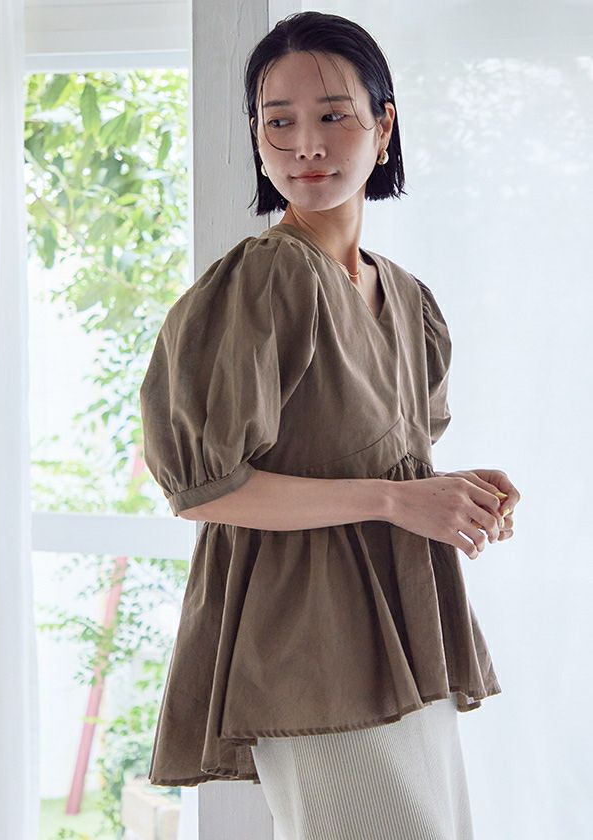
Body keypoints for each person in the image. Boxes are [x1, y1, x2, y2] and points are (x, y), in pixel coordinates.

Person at [139, 10, 521, 839]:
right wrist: (394, 500)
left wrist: (447, 493)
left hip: (404, 632)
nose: (306, 145)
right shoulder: (267, 278)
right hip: (304, 639)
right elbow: (205, 489)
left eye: (333, 115)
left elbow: (372, 456)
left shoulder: (407, 297)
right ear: (257, 138)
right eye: (278, 122)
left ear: (384, 127)